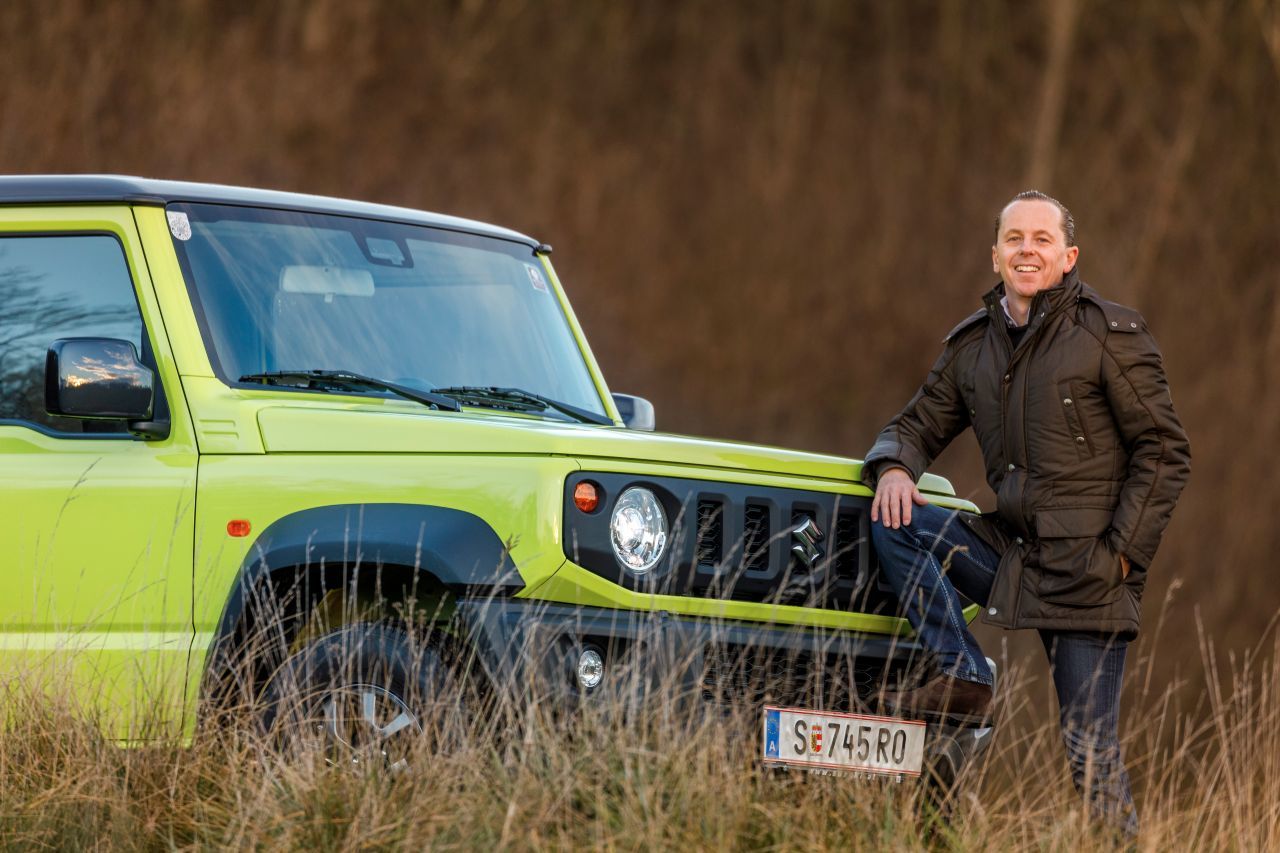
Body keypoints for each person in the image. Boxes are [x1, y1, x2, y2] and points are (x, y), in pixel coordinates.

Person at [862, 190, 1190, 835]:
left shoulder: (1109, 334)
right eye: (1014, 239)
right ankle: (960, 672)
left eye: (1042, 239)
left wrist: (1122, 554)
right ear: (995, 256)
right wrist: (895, 467)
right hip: (1011, 555)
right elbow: (914, 425)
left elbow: (1165, 450)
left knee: (1088, 755)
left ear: (1068, 258)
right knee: (895, 518)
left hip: (1091, 573)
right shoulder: (973, 347)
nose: (1027, 250)